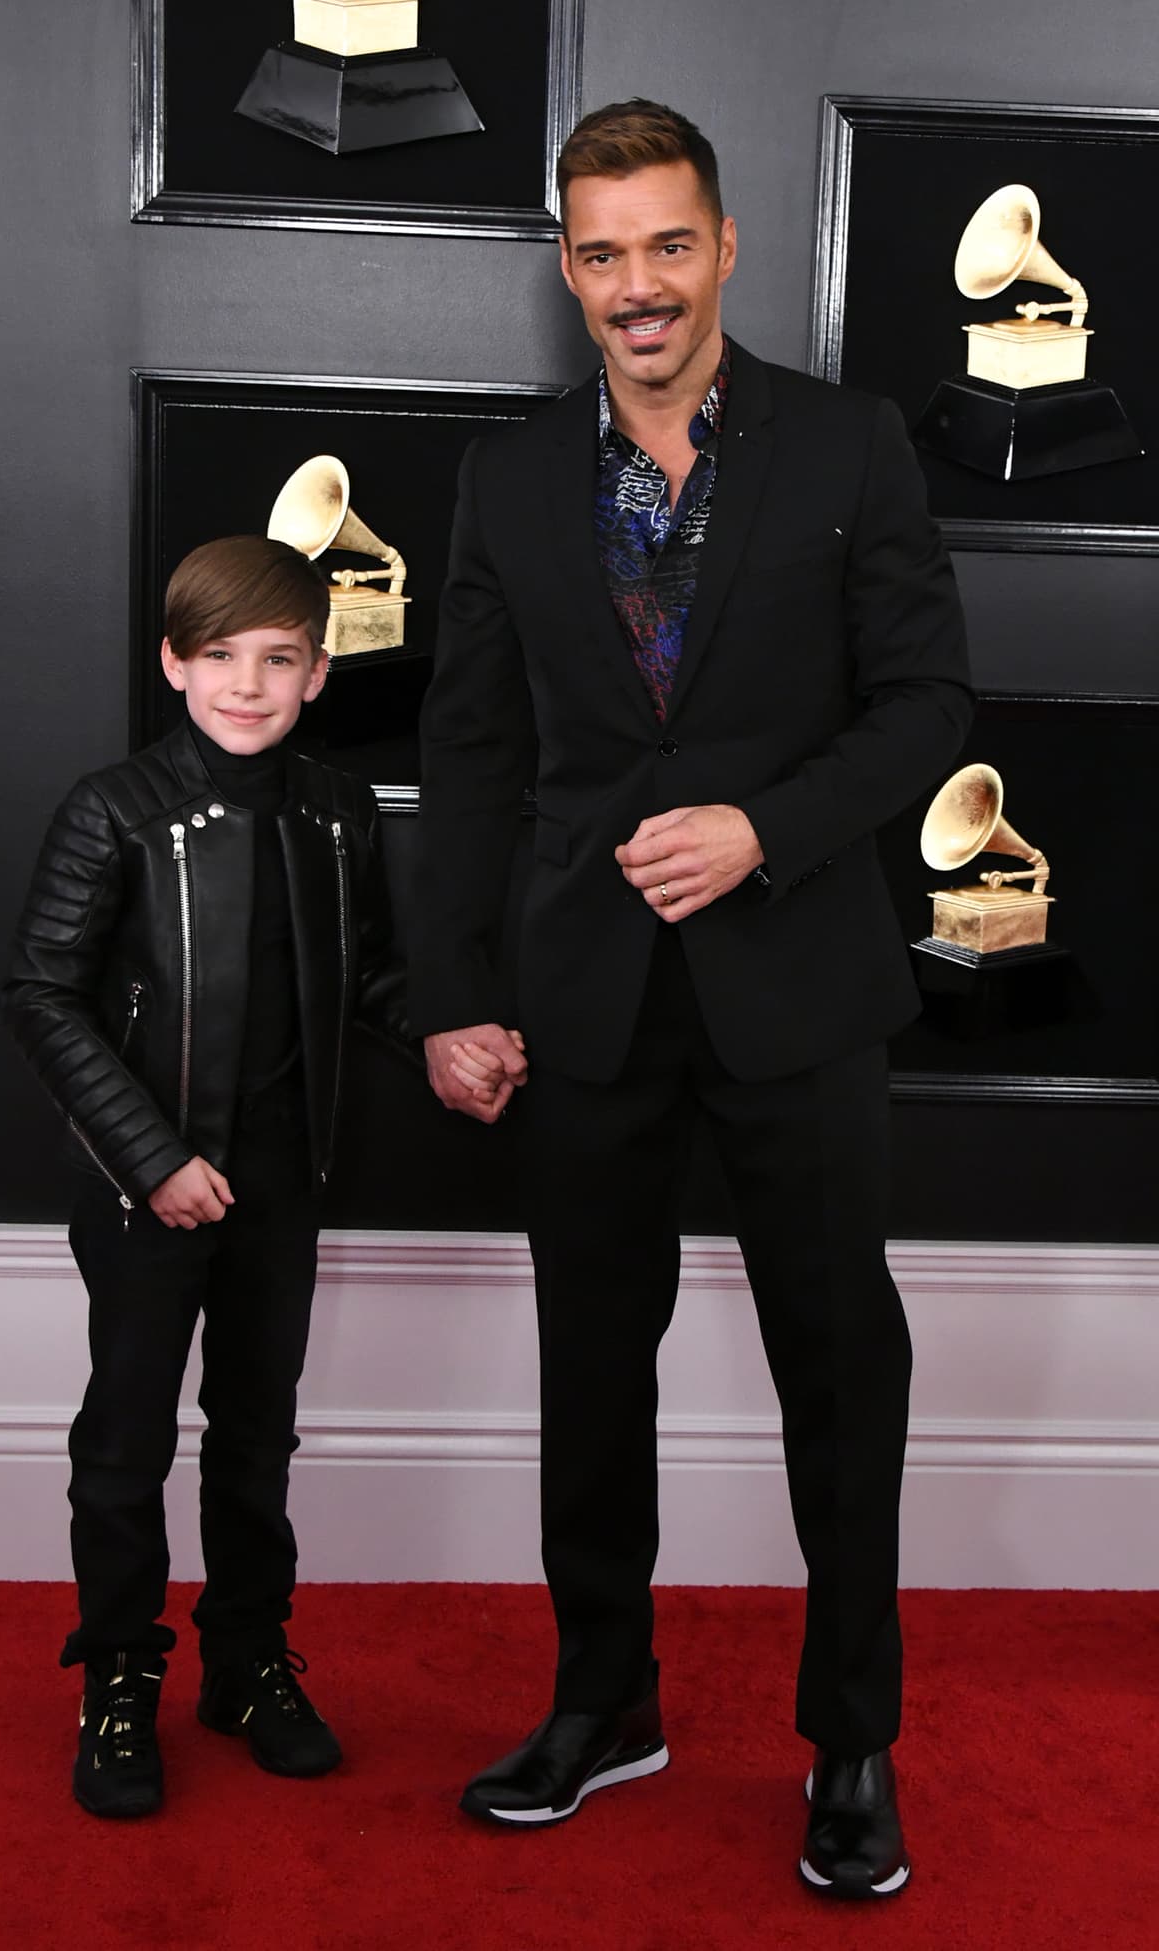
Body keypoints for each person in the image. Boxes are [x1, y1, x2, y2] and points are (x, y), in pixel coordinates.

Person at [409, 100, 973, 1896]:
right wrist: (454, 992)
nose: (637, 286)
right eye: (601, 253)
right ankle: (604, 1704)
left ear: (726, 246)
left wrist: (763, 827)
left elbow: (927, 708)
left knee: (841, 1376)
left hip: (799, 990)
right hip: (583, 1000)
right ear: (565, 270)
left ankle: (853, 1745)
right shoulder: (505, 481)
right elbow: (476, 751)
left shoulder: (853, 443)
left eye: (669, 244)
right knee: (593, 1376)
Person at [3, 535, 452, 1818]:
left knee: (256, 1438)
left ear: (316, 672)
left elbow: (362, 975)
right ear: (172, 664)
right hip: (145, 1183)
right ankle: (120, 1681)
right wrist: (152, 1160)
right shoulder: (112, 809)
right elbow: (40, 993)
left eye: (276, 660)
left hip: (282, 1181)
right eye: (217, 659)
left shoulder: (336, 811)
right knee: (128, 1439)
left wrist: (440, 1029)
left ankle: (247, 1663)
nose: (245, 686)